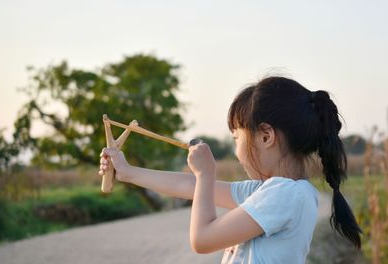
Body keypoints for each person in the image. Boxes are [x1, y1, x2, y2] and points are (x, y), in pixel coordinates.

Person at [98, 76, 362, 263]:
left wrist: (205, 174)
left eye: (237, 137)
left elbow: (202, 240)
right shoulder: (271, 190)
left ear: (266, 136)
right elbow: (190, 187)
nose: (236, 150)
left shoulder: (286, 195)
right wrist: (127, 171)